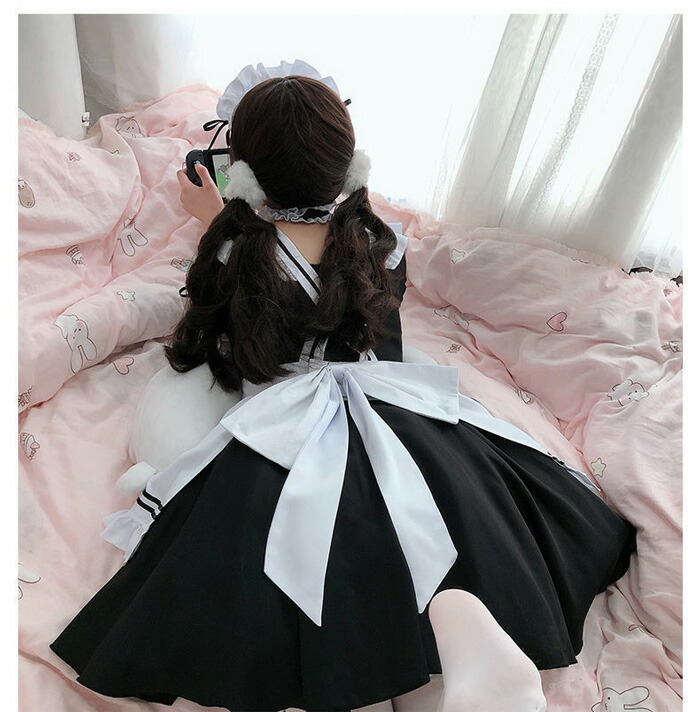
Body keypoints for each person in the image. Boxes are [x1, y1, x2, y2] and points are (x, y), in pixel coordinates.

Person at [49, 74, 637, 712]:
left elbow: (221, 342)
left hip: (287, 418)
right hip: (387, 404)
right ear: (348, 164)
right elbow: (386, 343)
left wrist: (219, 223)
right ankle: (458, 673)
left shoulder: (235, 253)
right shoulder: (379, 244)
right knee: (433, 519)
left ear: (243, 173)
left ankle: (377, 683)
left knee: (302, 558)